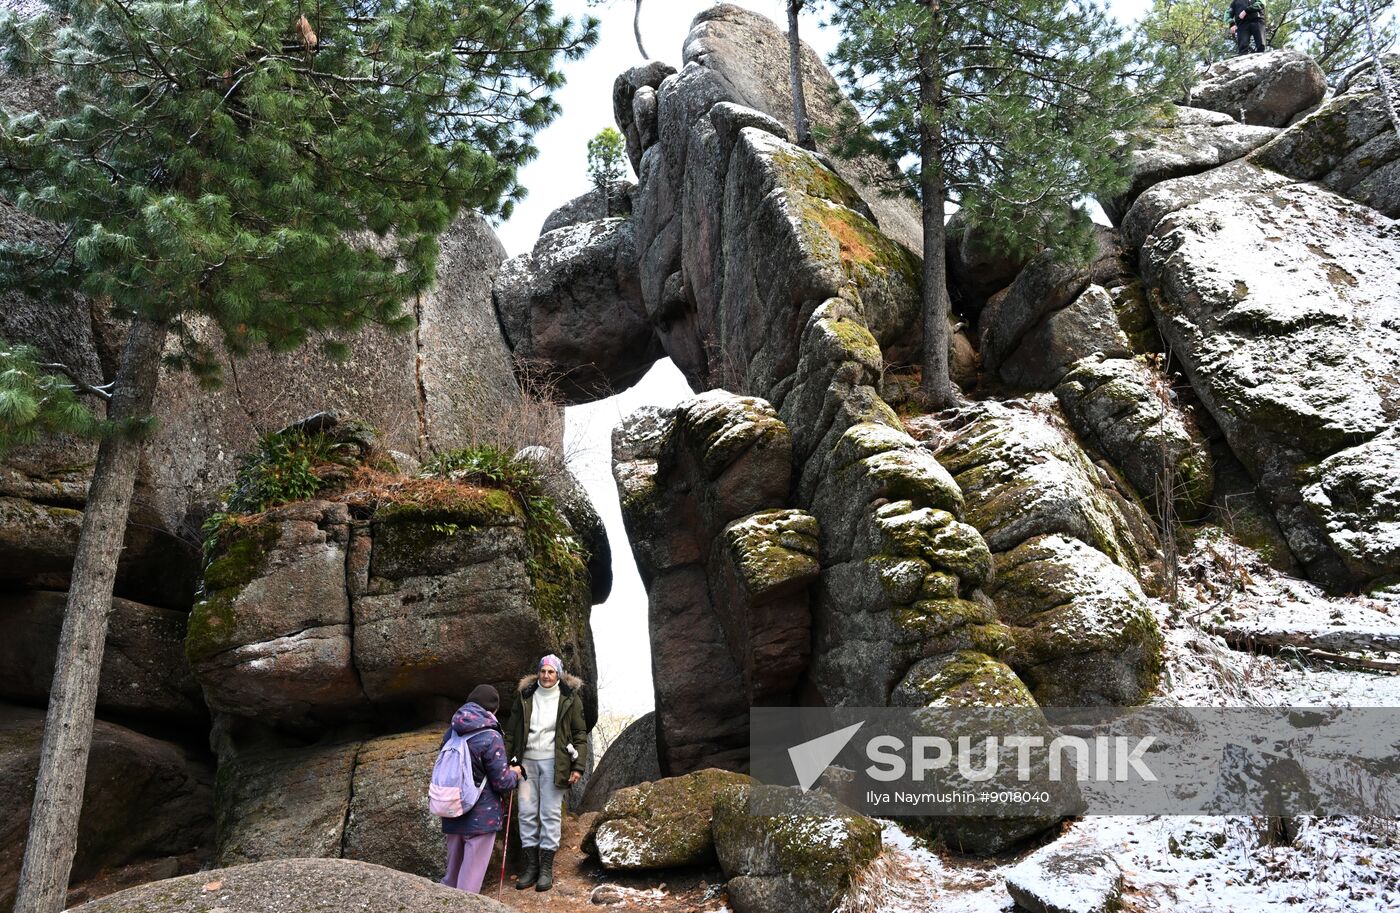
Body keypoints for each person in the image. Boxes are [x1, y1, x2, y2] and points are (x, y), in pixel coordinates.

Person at [504, 654, 589, 892]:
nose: (546, 676)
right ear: (538, 673)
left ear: (558, 674)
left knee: (549, 814)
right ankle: (531, 868)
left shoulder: (569, 698)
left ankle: (546, 869)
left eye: (551, 672)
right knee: (527, 813)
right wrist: (508, 762)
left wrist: (578, 766)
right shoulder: (526, 695)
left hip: (555, 763)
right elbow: (511, 733)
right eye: (543, 671)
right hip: (527, 763)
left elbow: (580, 736)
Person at [440, 684, 521, 894]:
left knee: (451, 877)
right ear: (492, 709)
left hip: (452, 808)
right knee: (469, 884)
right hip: (481, 816)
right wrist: (516, 774)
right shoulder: (490, 736)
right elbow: (502, 782)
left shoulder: (452, 731)